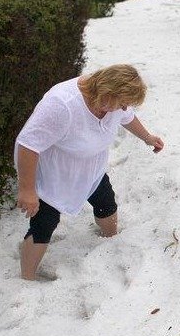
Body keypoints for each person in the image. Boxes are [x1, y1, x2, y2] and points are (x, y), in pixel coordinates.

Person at [15, 64, 164, 280]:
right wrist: (27, 190)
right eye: (122, 104)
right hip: (54, 173)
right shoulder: (62, 104)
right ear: (107, 92)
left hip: (89, 169)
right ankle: (26, 278)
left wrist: (147, 137)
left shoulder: (113, 102)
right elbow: (28, 145)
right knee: (44, 223)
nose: (124, 109)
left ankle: (110, 240)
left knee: (106, 203)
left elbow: (128, 117)